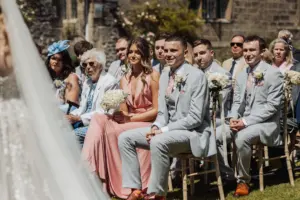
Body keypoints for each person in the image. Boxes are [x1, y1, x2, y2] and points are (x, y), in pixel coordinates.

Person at [0, 0, 108, 199]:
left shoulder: (71, 78)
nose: (54, 62)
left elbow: (71, 105)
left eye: (58, 59)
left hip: (57, 116)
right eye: (52, 58)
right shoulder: (47, 79)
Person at [118, 35, 214, 200]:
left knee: (158, 141)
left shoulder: (197, 76)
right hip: (167, 130)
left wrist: (162, 130)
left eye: (173, 50)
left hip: (193, 133)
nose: (168, 54)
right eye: (166, 50)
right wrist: (156, 127)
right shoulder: (164, 74)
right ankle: (136, 189)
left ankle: (158, 194)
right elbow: (162, 113)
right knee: (125, 138)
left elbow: (195, 118)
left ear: (184, 52)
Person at [82, 37, 160, 198]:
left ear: (144, 54)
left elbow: (156, 110)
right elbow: (125, 110)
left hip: (148, 121)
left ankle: (88, 170)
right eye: (130, 51)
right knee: (99, 118)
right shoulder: (125, 78)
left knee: (112, 131)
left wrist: (131, 118)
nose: (132, 55)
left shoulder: (153, 76)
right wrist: (120, 114)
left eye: (137, 52)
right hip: (130, 120)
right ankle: (91, 170)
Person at [216, 35, 284, 197]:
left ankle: (243, 181)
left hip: (266, 124)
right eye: (245, 50)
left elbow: (272, 107)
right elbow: (237, 101)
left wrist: (245, 122)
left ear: (262, 52)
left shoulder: (273, 73)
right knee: (216, 135)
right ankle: (228, 175)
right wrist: (233, 117)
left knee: (242, 137)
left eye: (252, 50)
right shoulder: (241, 74)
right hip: (242, 120)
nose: (247, 53)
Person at [68, 48, 118, 146]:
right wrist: (70, 115)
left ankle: (81, 161)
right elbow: (82, 108)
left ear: (100, 65)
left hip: (101, 124)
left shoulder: (110, 82)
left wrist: (78, 118)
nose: (88, 67)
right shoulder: (88, 82)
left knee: (73, 136)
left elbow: (105, 112)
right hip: (84, 121)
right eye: (85, 65)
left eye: (91, 64)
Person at [193, 38, 232, 121]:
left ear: (211, 53)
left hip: (215, 120)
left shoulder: (222, 75)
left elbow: (216, 106)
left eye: (202, 53)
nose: (198, 57)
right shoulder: (193, 72)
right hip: (193, 117)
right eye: (195, 55)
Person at [46, 40, 81, 113]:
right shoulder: (53, 78)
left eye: (60, 60)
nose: (56, 62)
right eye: (53, 58)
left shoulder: (71, 78)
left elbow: (72, 107)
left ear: (65, 62)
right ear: (49, 61)